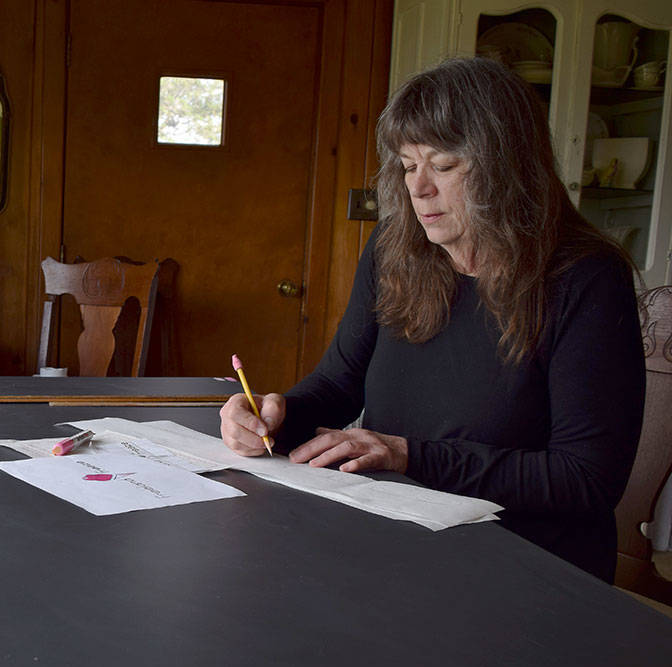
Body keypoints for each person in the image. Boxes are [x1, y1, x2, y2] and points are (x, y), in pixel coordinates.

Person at [219, 56, 645, 582]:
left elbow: (585, 480)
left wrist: (408, 455)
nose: (418, 188)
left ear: (509, 168)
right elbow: (337, 384)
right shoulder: (394, 248)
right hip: (404, 537)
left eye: (443, 166)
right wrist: (274, 419)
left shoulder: (586, 278)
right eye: (406, 165)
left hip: (528, 568)